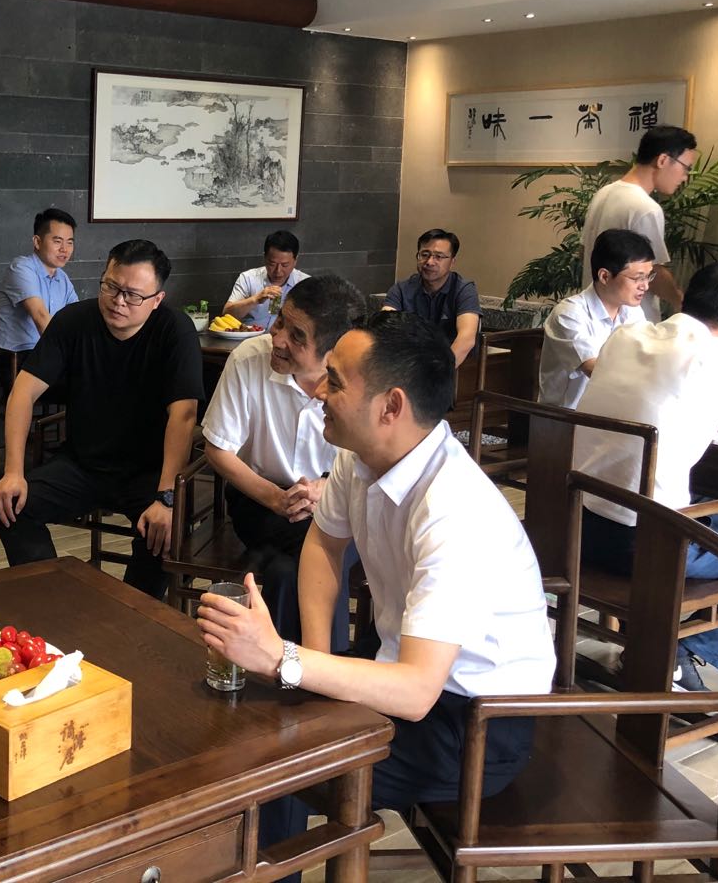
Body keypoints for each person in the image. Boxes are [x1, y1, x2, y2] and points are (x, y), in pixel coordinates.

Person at [198, 312, 554, 859]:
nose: (319, 391)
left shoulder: (455, 510)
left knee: (276, 762)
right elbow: (323, 544)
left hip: (475, 720)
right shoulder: (359, 457)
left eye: (335, 381)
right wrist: (312, 661)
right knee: (259, 717)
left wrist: (283, 659)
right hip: (401, 664)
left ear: (391, 407)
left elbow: (416, 692)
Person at [573, 260, 718, 689]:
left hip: (575, 522)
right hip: (644, 543)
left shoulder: (626, 336)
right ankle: (674, 659)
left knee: (707, 513)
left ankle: (653, 649)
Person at [0, 239, 204, 598]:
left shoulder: (175, 330)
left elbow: (184, 415)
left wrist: (166, 497)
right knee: (9, 505)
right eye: (111, 287)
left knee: (165, 532)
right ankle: (51, 600)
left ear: (157, 299)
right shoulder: (74, 321)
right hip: (82, 465)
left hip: (149, 472)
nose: (118, 301)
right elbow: (22, 393)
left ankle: (133, 612)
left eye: (133, 295)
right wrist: (13, 472)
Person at [202, 273, 366, 650]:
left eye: (297, 336)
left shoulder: (360, 380)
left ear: (332, 352)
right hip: (260, 501)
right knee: (317, 556)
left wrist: (327, 489)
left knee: (286, 570)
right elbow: (217, 448)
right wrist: (277, 499)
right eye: (280, 322)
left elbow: (373, 463)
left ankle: (283, 666)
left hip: (340, 503)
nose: (277, 339)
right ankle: (326, 665)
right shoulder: (249, 359)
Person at [580, 125, 695, 321]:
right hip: (630, 320)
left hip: (595, 311)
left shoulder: (603, 194)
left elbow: (583, 251)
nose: (685, 177)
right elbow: (654, 272)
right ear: (662, 160)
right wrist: (680, 301)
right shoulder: (645, 208)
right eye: (686, 168)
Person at [538, 228, 654, 409]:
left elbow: (648, 357)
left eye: (648, 277)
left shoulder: (633, 311)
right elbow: (597, 371)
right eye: (637, 278)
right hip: (566, 418)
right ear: (605, 276)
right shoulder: (569, 314)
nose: (645, 286)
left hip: (610, 413)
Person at [0, 207, 79, 389]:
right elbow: (41, 317)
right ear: (37, 242)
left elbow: (78, 319)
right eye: (57, 241)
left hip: (47, 354)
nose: (64, 249)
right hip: (17, 361)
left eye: (70, 242)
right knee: (87, 382)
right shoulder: (21, 269)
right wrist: (71, 356)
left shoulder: (62, 278)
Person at [382, 228, 481, 367]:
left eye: (438, 257)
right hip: (411, 365)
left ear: (452, 261)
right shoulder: (401, 289)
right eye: (424, 254)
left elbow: (466, 339)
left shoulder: (464, 290)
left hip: (455, 366)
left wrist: (439, 373)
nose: (429, 262)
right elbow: (385, 328)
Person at [223, 229, 309, 330]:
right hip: (250, 337)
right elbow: (226, 314)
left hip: (284, 339)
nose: (278, 271)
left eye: (285, 265)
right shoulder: (248, 278)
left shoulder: (305, 284)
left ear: (295, 260)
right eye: (272, 264)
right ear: (265, 257)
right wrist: (255, 299)